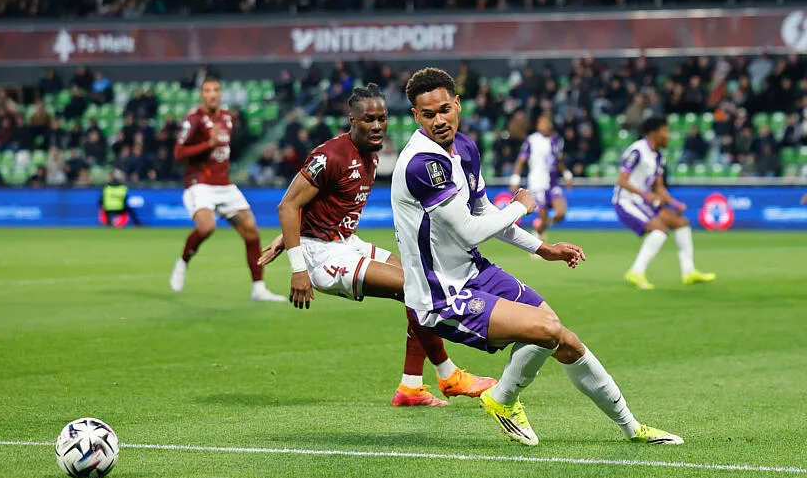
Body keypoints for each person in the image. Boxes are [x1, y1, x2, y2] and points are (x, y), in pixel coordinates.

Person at [391, 67, 681, 445]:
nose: (439, 120)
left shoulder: (465, 147)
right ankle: (503, 398)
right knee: (546, 331)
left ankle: (633, 428)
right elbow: (470, 230)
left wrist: (543, 248)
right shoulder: (422, 164)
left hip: (473, 269)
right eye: (428, 114)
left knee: (564, 338)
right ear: (416, 115)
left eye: (444, 109)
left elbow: (483, 216)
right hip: (440, 293)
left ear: (457, 103)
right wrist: (521, 207)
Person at [259, 83, 496, 406]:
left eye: (382, 118)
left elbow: (320, 206)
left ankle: (411, 387)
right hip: (321, 254)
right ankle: (448, 375)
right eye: (368, 119)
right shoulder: (329, 156)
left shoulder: (372, 155)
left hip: (346, 242)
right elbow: (288, 205)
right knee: (414, 287)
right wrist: (298, 266)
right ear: (352, 121)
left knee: (419, 281)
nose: (377, 126)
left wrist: (287, 238)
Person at [169, 77, 284, 302]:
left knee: (252, 232)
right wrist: (207, 145)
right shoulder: (193, 120)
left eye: (216, 90)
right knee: (207, 227)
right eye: (207, 90)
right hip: (199, 182)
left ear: (220, 94)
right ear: (202, 95)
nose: (212, 94)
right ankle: (183, 261)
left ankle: (259, 289)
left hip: (224, 184)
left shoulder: (227, 118)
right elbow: (178, 153)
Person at [613, 115, 716, 289]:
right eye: (665, 131)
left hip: (644, 201)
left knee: (681, 223)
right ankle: (636, 272)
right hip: (626, 202)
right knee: (660, 231)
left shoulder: (659, 156)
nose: (668, 135)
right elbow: (622, 181)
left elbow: (659, 187)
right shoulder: (637, 151)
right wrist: (645, 195)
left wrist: (674, 203)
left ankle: (689, 272)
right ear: (655, 132)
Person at [508, 114, 572, 245]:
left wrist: (566, 174)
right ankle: (537, 236)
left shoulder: (557, 140)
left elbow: (557, 160)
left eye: (546, 122)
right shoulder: (532, 140)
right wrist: (515, 179)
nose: (544, 125)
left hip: (553, 183)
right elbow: (521, 160)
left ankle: (539, 229)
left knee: (561, 213)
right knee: (543, 215)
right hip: (537, 183)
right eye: (541, 123)